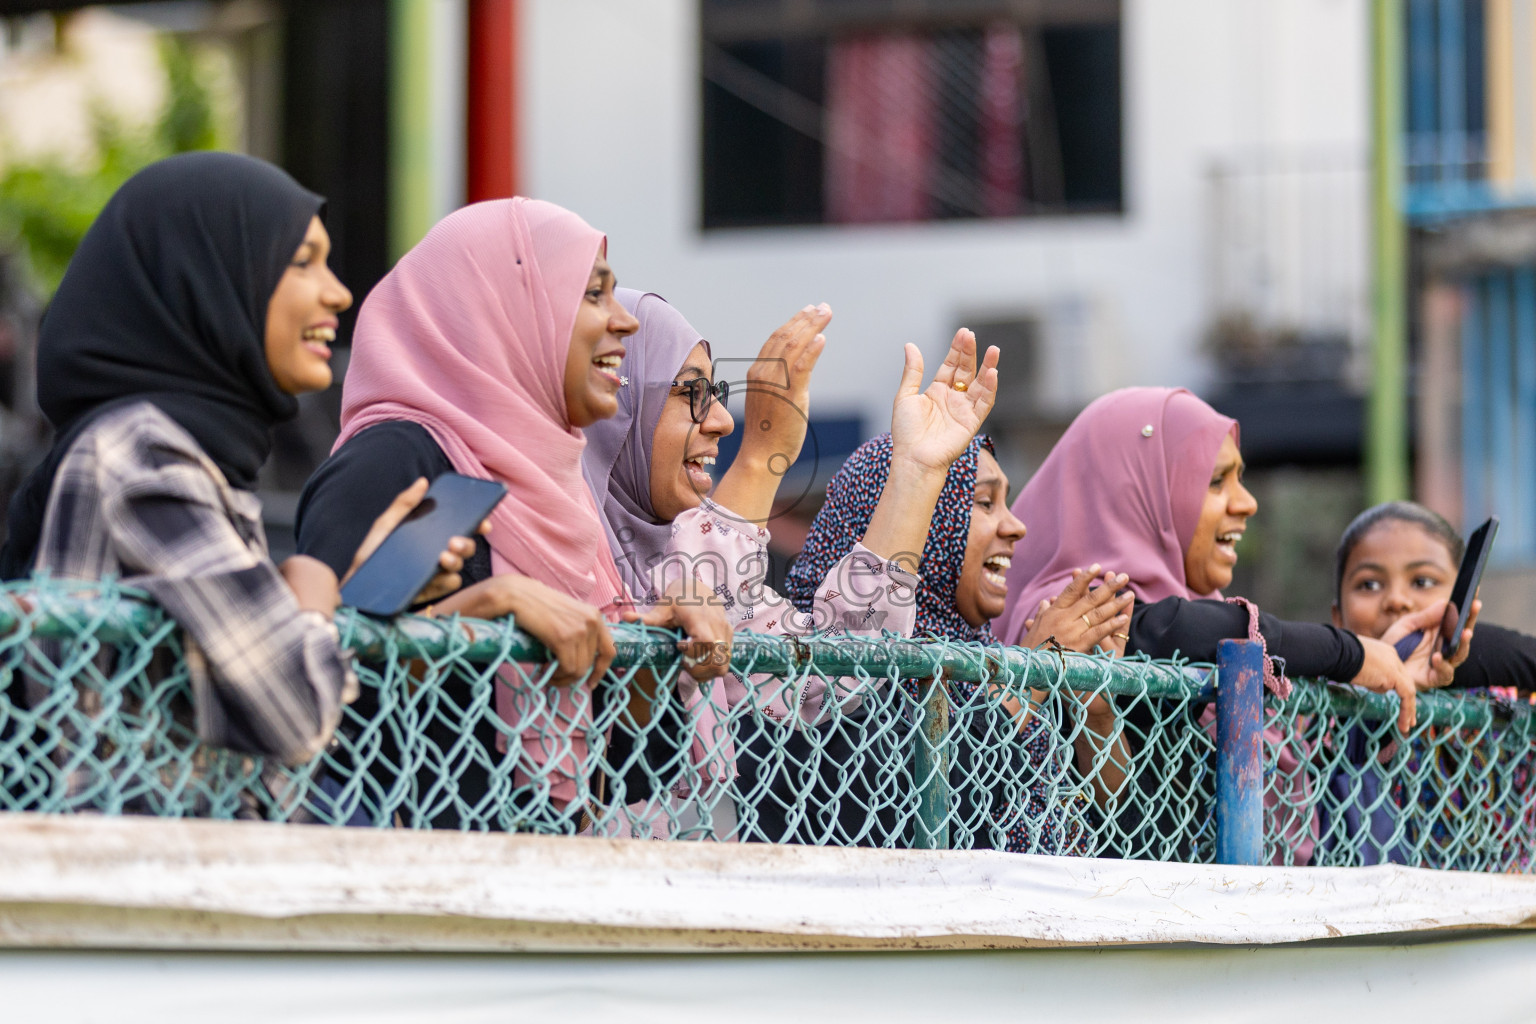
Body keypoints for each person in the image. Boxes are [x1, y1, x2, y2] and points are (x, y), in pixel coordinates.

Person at [0, 153, 470, 812]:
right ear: (209, 279)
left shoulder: (197, 456)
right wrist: (310, 591)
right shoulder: (140, 455)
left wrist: (347, 586)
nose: (338, 292)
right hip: (132, 880)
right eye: (301, 261)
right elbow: (296, 714)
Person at [294, 199, 731, 828]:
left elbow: (629, 769)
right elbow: (332, 697)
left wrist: (654, 647)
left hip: (534, 888)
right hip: (414, 894)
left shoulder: (555, 489)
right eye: (591, 295)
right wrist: (485, 607)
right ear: (508, 309)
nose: (624, 323)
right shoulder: (408, 462)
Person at [581, 289, 1013, 838]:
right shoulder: (549, 549)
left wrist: (919, 472)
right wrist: (761, 458)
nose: (721, 420)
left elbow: (835, 673)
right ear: (618, 407)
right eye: (689, 392)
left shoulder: (670, 555)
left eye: (715, 392)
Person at [998, 387, 1462, 862]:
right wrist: (1351, 653)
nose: (1247, 503)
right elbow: (1175, 629)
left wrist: (1390, 668)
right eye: (1217, 481)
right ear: (1136, 489)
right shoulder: (1071, 610)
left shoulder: (1190, 608)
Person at [767, 432, 1133, 853]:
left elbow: (1113, 836)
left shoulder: (987, 657)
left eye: (1006, 503)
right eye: (984, 503)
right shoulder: (821, 671)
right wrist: (1028, 678)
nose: (1016, 526)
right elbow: (931, 814)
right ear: (921, 519)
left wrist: (1097, 717)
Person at [1326, 500, 1533, 868]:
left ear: (1464, 600)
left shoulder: (1505, 702)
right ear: (1338, 618)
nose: (1397, 600)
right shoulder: (1322, 712)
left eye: (1422, 581)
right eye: (1369, 584)